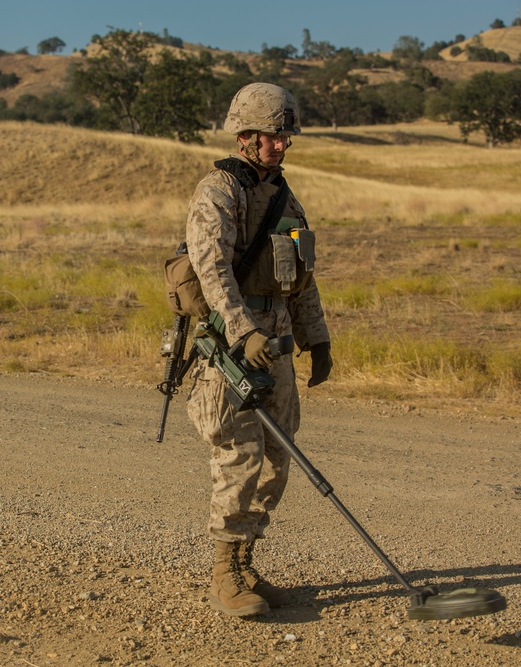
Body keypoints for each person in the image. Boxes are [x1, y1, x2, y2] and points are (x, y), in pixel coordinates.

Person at [184, 83, 332, 617]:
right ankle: (224, 574)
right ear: (245, 135)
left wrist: (317, 339)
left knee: (279, 458)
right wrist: (243, 329)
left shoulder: (285, 198)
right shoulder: (219, 190)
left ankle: (246, 560)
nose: (282, 145)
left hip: (278, 342)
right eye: (273, 136)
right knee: (239, 454)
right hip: (229, 343)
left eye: (286, 136)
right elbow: (212, 268)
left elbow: (302, 278)